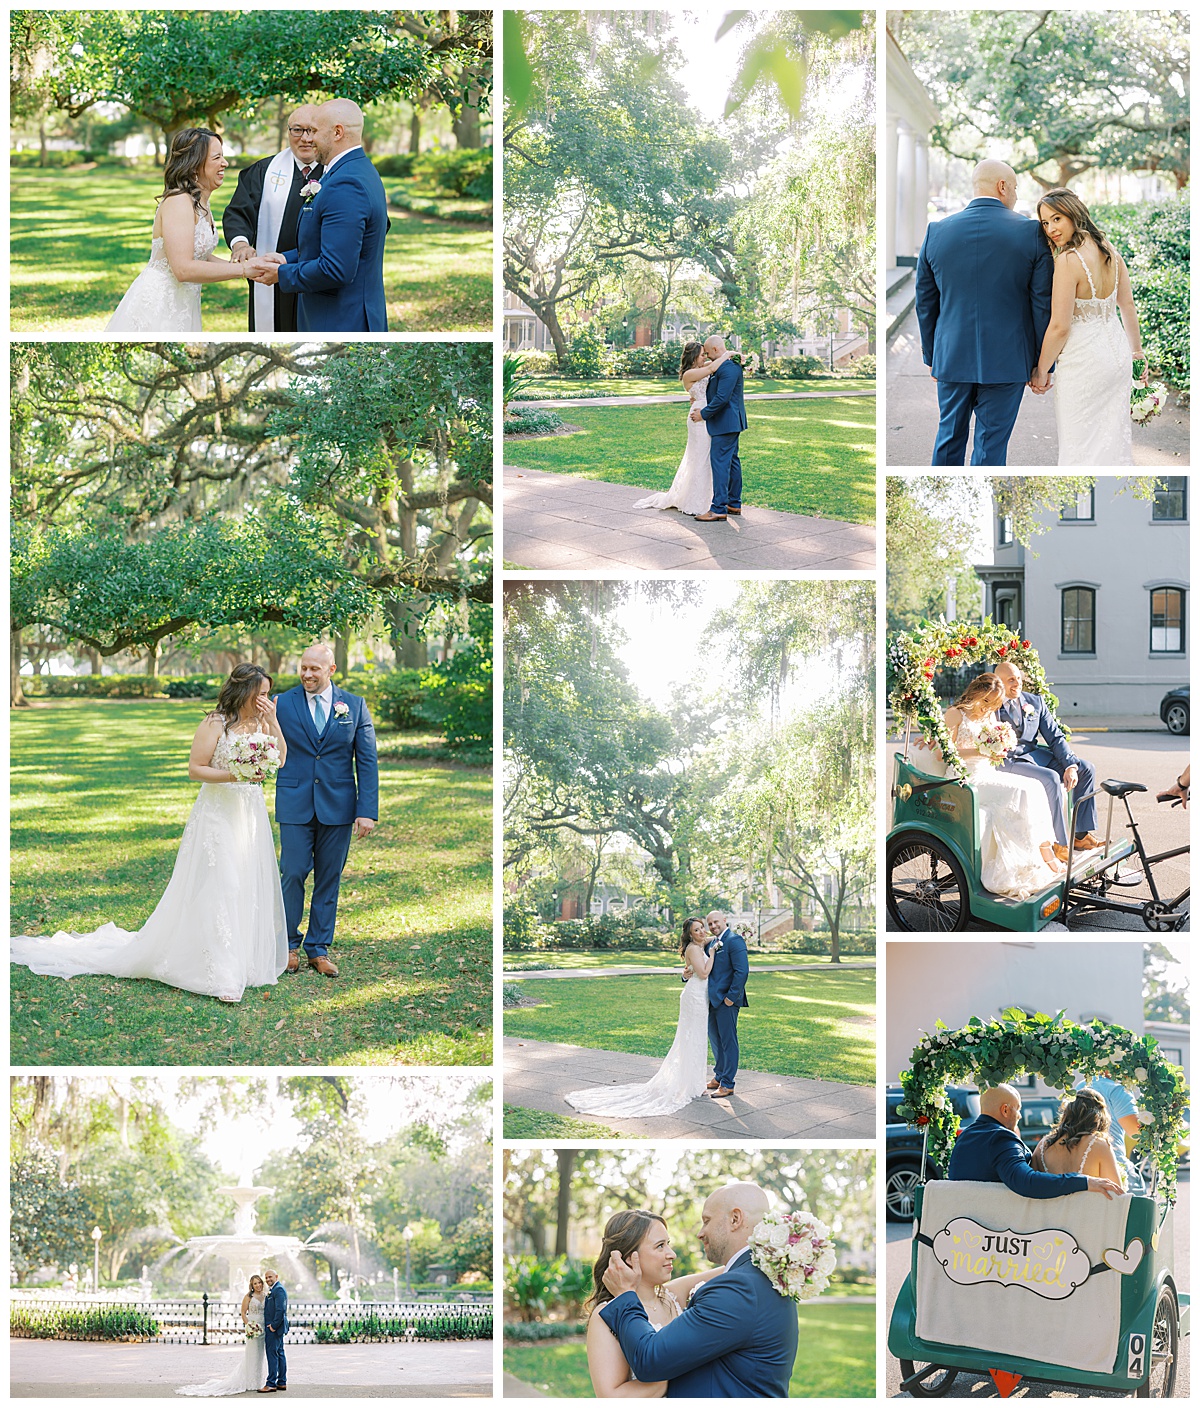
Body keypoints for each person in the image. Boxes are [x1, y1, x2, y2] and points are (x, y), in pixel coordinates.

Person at [11, 664, 289, 1003]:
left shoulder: (262, 723)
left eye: (267, 695)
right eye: (261, 694)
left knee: (244, 882)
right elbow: (195, 769)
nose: (265, 700)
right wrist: (234, 776)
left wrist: (273, 722)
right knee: (223, 883)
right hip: (218, 814)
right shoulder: (215, 723)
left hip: (249, 813)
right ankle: (223, 973)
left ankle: (242, 960)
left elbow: (281, 760)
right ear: (244, 692)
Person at [915, 158, 1054, 465]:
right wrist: (1042, 364)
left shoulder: (937, 232)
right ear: (1002, 186)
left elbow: (925, 302)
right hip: (1009, 360)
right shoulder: (1031, 233)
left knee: (948, 439)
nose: (1016, 195)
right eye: (1015, 187)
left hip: (951, 357)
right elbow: (1042, 304)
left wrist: (932, 356)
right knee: (991, 448)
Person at [599, 1183, 799, 1397]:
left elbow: (650, 1360)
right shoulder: (765, 1274)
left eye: (706, 1221)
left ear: (735, 1219)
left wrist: (625, 1295)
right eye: (660, 1245)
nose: (700, 1233)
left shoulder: (739, 1288)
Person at [273, 644, 379, 978]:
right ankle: (287, 945)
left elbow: (367, 761)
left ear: (331, 670)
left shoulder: (356, 706)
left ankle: (318, 949)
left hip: (339, 806)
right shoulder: (282, 703)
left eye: (314, 669)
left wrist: (367, 810)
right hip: (294, 801)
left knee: (328, 878)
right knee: (292, 872)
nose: (307, 674)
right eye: (303, 668)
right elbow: (266, 742)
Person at [912, 673, 1063, 900]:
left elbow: (991, 744)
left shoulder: (989, 715)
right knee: (1020, 793)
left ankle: (1044, 852)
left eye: (992, 705)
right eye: (985, 703)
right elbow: (942, 755)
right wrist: (980, 751)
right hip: (964, 778)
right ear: (975, 694)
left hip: (986, 771)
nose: (987, 709)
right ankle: (1021, 865)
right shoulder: (955, 715)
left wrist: (997, 750)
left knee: (1035, 786)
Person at [247, 100, 389, 332]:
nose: (308, 139)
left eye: (314, 131)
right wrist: (285, 258)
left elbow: (336, 268)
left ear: (337, 132)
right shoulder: (356, 169)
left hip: (340, 319)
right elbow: (334, 244)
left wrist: (281, 274)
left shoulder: (346, 183)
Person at [1031, 189, 1143, 466]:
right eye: (1045, 223)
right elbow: (1127, 305)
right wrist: (1137, 353)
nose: (1051, 229)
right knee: (1110, 438)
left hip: (1085, 363)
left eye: (1056, 218)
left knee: (1079, 444)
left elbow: (1060, 326)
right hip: (1116, 357)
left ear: (1073, 213)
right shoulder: (1110, 251)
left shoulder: (1069, 260)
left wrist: (1041, 370)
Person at [564, 919, 714, 1118]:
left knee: (696, 1040)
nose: (702, 931)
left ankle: (695, 1083)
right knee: (690, 1040)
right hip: (694, 997)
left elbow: (714, 939)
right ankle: (692, 1085)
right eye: (697, 930)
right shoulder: (695, 949)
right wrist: (712, 954)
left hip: (699, 997)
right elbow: (703, 974)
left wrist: (726, 936)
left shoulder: (700, 943)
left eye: (702, 927)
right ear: (690, 934)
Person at [106, 129, 251, 333]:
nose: (225, 163)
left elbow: (200, 256)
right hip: (160, 304)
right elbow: (183, 269)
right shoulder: (179, 202)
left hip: (184, 303)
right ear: (194, 165)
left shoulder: (199, 202)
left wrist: (248, 266)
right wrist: (243, 271)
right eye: (217, 158)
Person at [584, 1209, 722, 1397]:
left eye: (668, 1244)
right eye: (660, 1246)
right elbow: (611, 1397)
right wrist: (682, 1367)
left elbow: (731, 1271)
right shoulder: (606, 1314)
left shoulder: (673, 1295)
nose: (671, 1254)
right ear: (628, 1258)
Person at [222, 105, 324, 332]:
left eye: (312, 131)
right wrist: (241, 244)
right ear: (288, 132)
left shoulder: (336, 172)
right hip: (271, 276)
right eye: (298, 130)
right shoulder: (263, 171)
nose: (305, 138)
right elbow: (238, 212)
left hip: (318, 274)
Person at [994, 659, 1099, 856]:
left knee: (1085, 768)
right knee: (1051, 778)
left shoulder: (1034, 702)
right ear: (999, 682)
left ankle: (1080, 835)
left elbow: (1055, 736)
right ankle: (1059, 843)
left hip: (1034, 756)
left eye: (1018, 679)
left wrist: (1070, 765)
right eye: (1010, 680)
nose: (1017, 684)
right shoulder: (990, 705)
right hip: (1007, 760)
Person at [947, 1084, 1123, 1199]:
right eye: (1018, 1109)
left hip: (963, 1223)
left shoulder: (965, 1137)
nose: (1020, 1116)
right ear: (1005, 1110)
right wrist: (1084, 1181)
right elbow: (1026, 1182)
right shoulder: (1001, 1138)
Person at [633, 345, 733, 515]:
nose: (706, 357)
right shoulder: (690, 374)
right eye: (702, 355)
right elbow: (712, 367)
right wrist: (729, 354)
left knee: (705, 458)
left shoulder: (700, 369)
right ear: (694, 357)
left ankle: (707, 498)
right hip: (698, 418)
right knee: (699, 458)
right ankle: (695, 501)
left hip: (706, 414)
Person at [179, 1274, 267, 1396]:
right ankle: (250, 1381)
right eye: (255, 1283)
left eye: (259, 1282)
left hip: (263, 1328)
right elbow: (243, 1313)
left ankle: (258, 1381)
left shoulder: (265, 1295)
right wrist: (250, 1326)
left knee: (261, 1355)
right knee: (252, 1354)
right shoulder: (248, 1297)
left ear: (262, 1283)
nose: (258, 1285)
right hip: (253, 1328)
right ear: (251, 1286)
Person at [690, 337, 747, 522]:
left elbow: (722, 398)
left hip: (726, 422)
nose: (706, 356)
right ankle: (734, 503)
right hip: (730, 422)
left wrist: (703, 414)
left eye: (707, 352)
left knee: (721, 463)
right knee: (732, 461)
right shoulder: (722, 364)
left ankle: (718, 508)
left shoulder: (728, 367)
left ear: (715, 349)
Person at [1031, 1089, 1128, 1188]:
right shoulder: (1099, 1145)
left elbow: (1032, 1185)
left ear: (1067, 1112)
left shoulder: (1043, 1145)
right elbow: (1117, 1193)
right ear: (1100, 1115)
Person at [1073, 1075, 1146, 1193]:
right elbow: (1135, 1132)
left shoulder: (1081, 1085)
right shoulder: (1119, 1089)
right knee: (1138, 1192)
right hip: (1113, 1163)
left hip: (1079, 1166)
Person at [705, 912, 748, 1098]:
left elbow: (742, 971)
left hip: (727, 1001)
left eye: (716, 922)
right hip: (711, 1000)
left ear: (724, 920)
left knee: (728, 1041)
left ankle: (728, 1083)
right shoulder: (713, 943)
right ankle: (719, 1075)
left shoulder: (734, 940)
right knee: (715, 1040)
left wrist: (731, 997)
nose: (713, 926)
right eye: (710, 923)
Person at [261, 1269, 289, 1393]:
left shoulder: (279, 1290)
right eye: (266, 1278)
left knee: (272, 1354)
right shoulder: (274, 1289)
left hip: (274, 1328)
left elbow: (280, 1310)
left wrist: (273, 1326)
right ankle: (281, 1382)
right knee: (279, 1353)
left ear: (276, 1276)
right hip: (276, 1328)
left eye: (270, 1277)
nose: (268, 1279)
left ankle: (271, 1383)